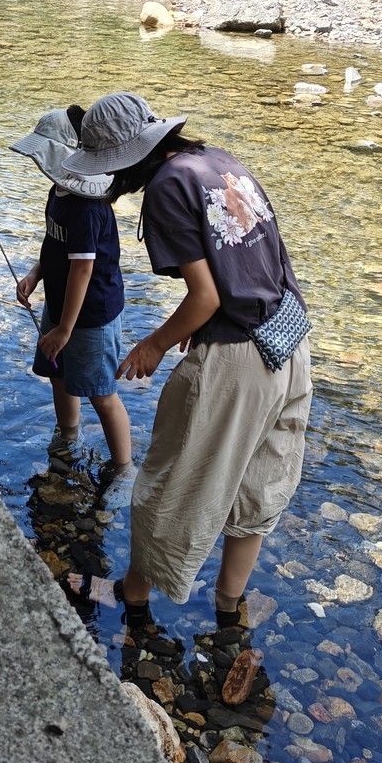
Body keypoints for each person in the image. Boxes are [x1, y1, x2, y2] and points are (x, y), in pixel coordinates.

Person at [62, 92, 312, 629]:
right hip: (289, 340)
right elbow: (251, 262)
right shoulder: (216, 161)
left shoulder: (168, 187)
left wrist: (153, 343)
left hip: (238, 358)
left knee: (174, 482)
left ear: (126, 159)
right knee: (258, 482)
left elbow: (207, 298)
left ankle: (131, 596)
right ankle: (229, 609)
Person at [10, 107, 131, 470]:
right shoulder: (59, 191)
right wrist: (35, 275)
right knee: (58, 374)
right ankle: (67, 434)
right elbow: (54, 246)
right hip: (61, 306)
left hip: (91, 316)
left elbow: (82, 269)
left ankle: (123, 466)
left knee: (101, 393)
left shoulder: (86, 206)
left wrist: (65, 329)